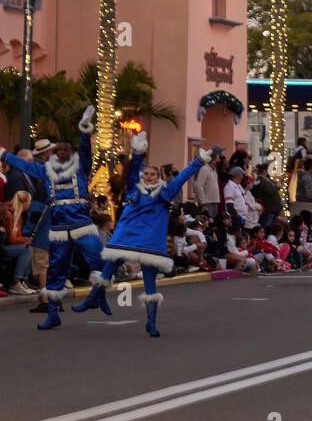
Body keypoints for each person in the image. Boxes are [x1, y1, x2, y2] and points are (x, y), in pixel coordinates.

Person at [74, 132, 211, 336]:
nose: (148, 177)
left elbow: (182, 177)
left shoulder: (165, 192)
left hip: (149, 240)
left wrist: (198, 161)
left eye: (152, 175)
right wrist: (137, 153)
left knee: (149, 282)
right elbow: (132, 171)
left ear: (158, 177)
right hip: (128, 234)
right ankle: (93, 297)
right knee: (111, 262)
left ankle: (151, 322)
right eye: (146, 174)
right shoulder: (133, 189)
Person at [0, 106, 101, 330]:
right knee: (56, 269)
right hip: (59, 227)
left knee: (97, 260)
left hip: (80, 224)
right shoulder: (45, 172)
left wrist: (85, 129)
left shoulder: (81, 169)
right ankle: (52, 312)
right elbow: (25, 165)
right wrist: (4, 155)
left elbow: (86, 150)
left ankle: (95, 297)